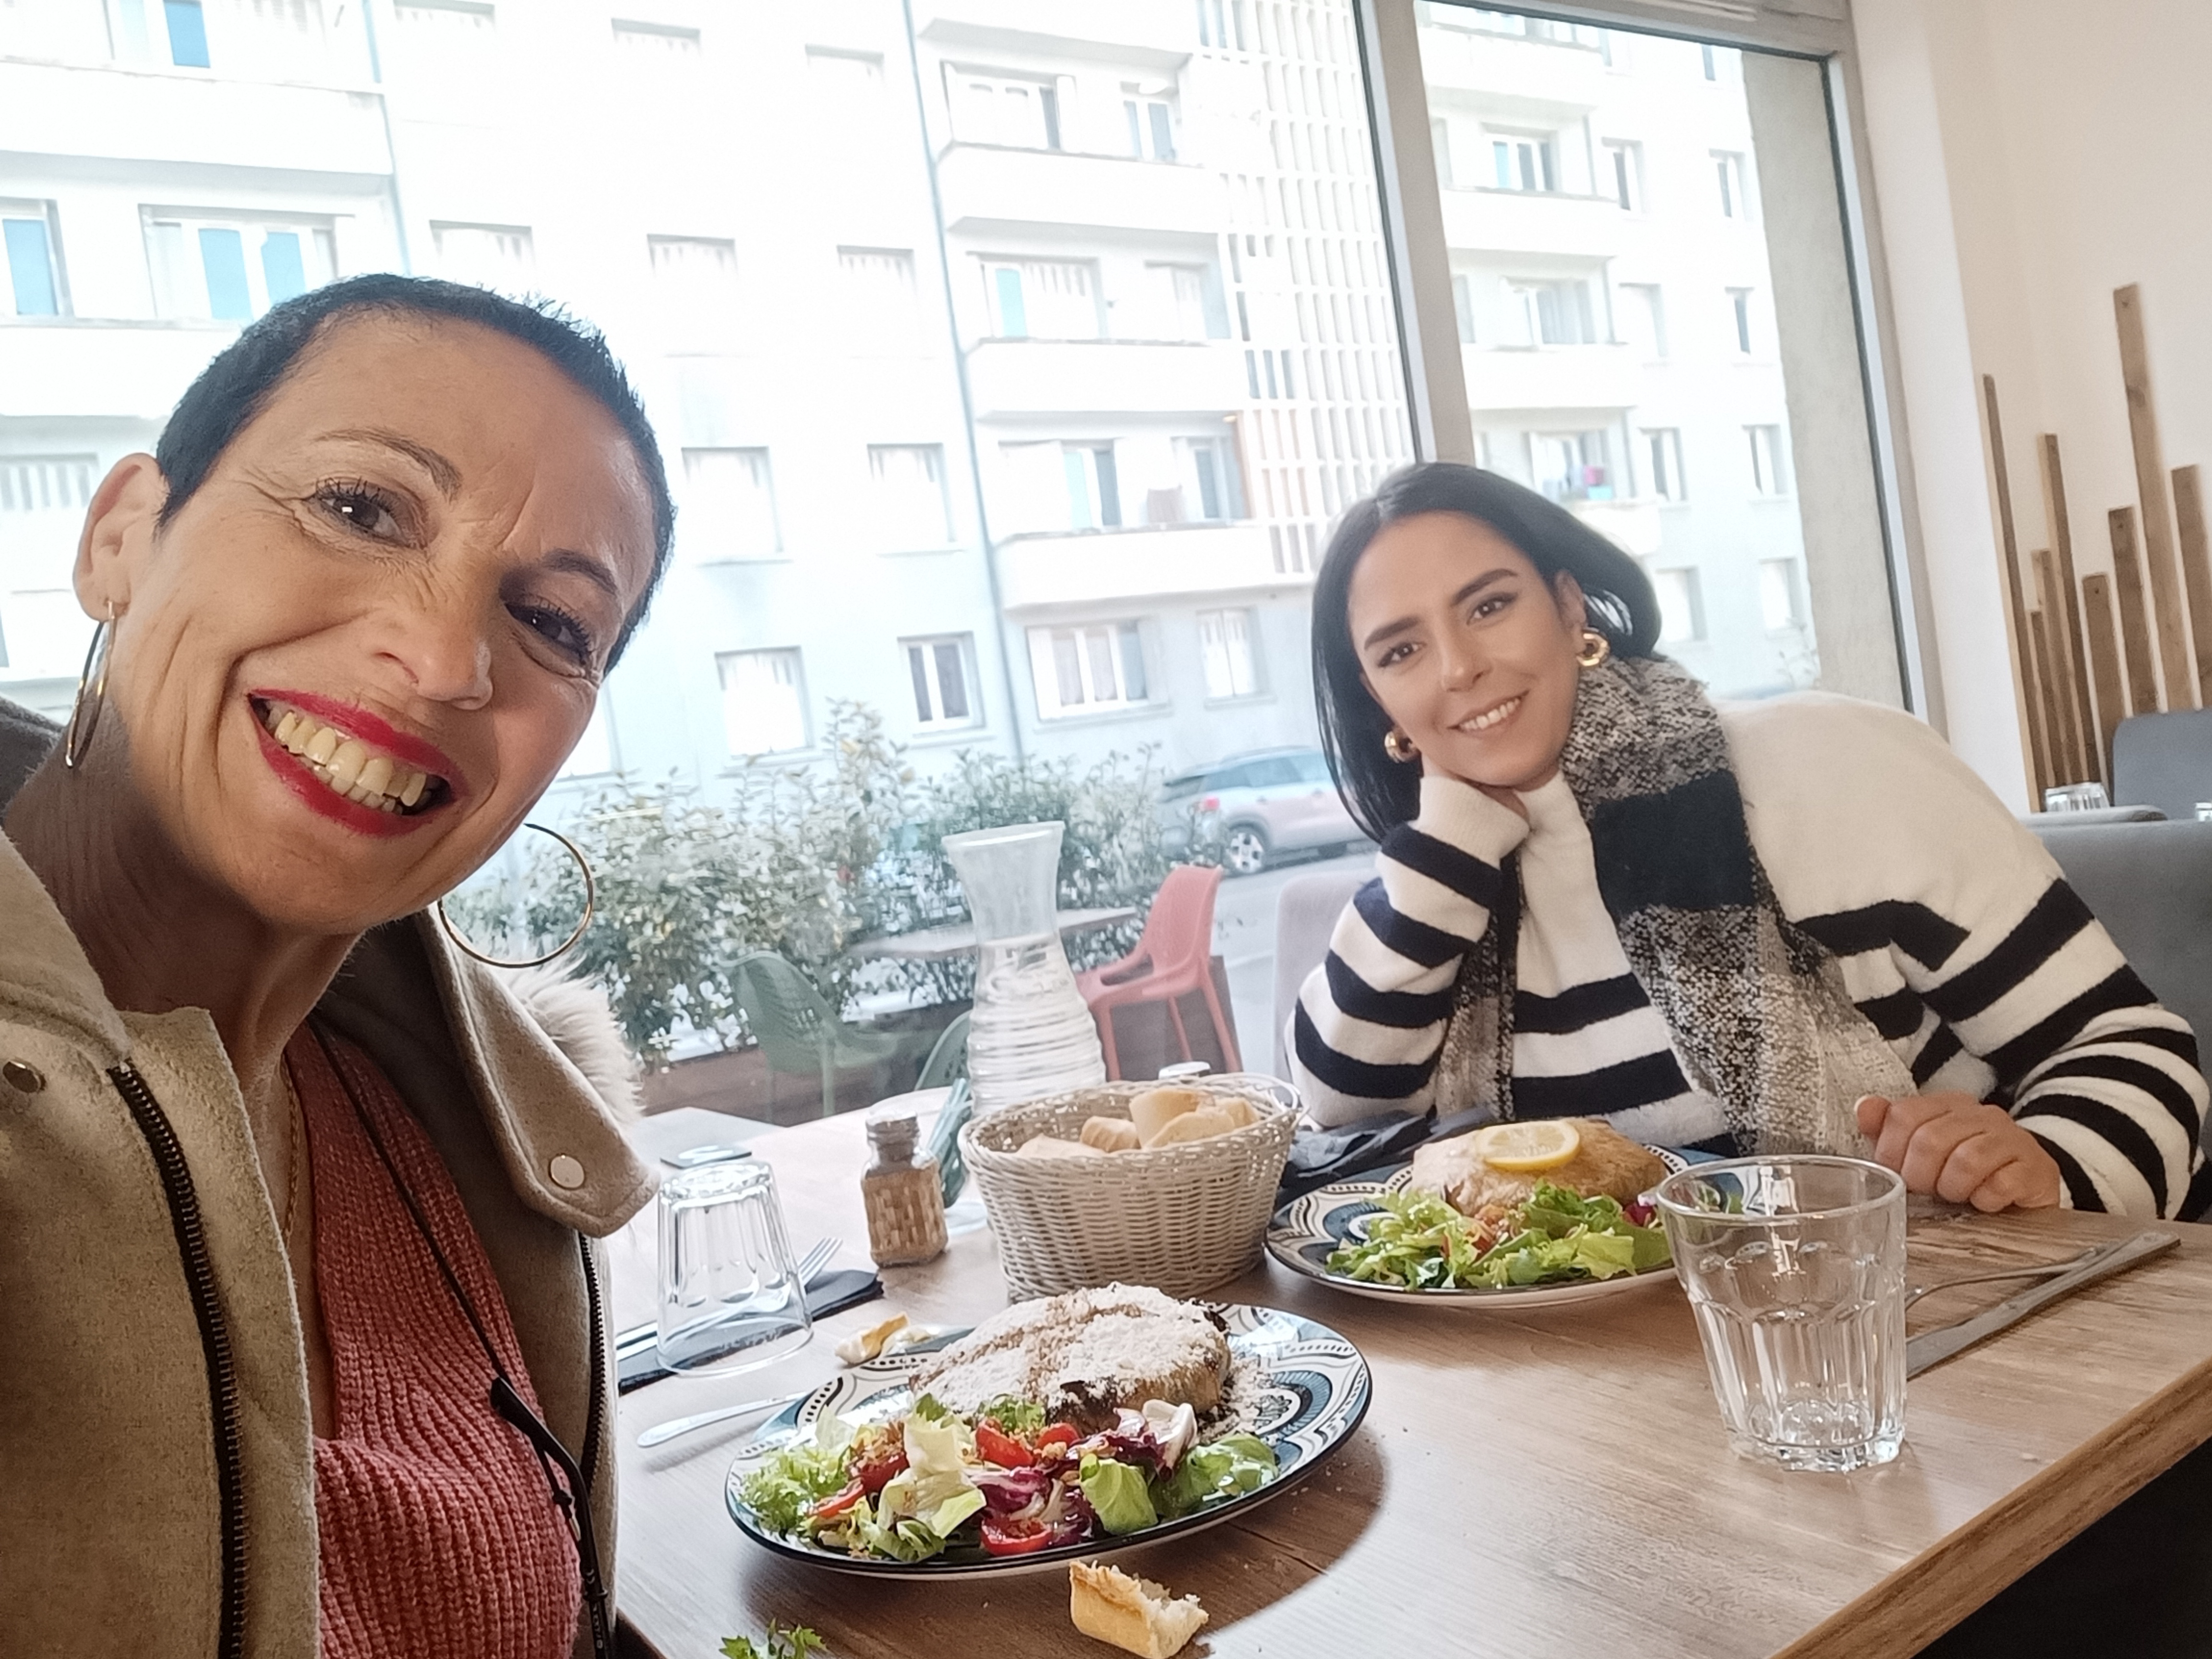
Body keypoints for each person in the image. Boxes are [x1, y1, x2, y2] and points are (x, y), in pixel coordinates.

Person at [0, 275, 675, 1659]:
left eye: (554, 622)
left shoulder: (454, 1125)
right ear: (123, 535)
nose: (441, 661)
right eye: (361, 508)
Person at [1292, 462, 2208, 1221]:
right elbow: (1339, 1125)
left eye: (1489, 606)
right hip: (1610, 1368)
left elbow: (2130, 1045)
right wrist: (1448, 845)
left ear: (1571, 610)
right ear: (1378, 699)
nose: (1459, 667)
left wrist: (2046, 1171)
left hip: (1948, 1312)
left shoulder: (1833, 761)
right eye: (1401, 651)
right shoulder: (1427, 892)